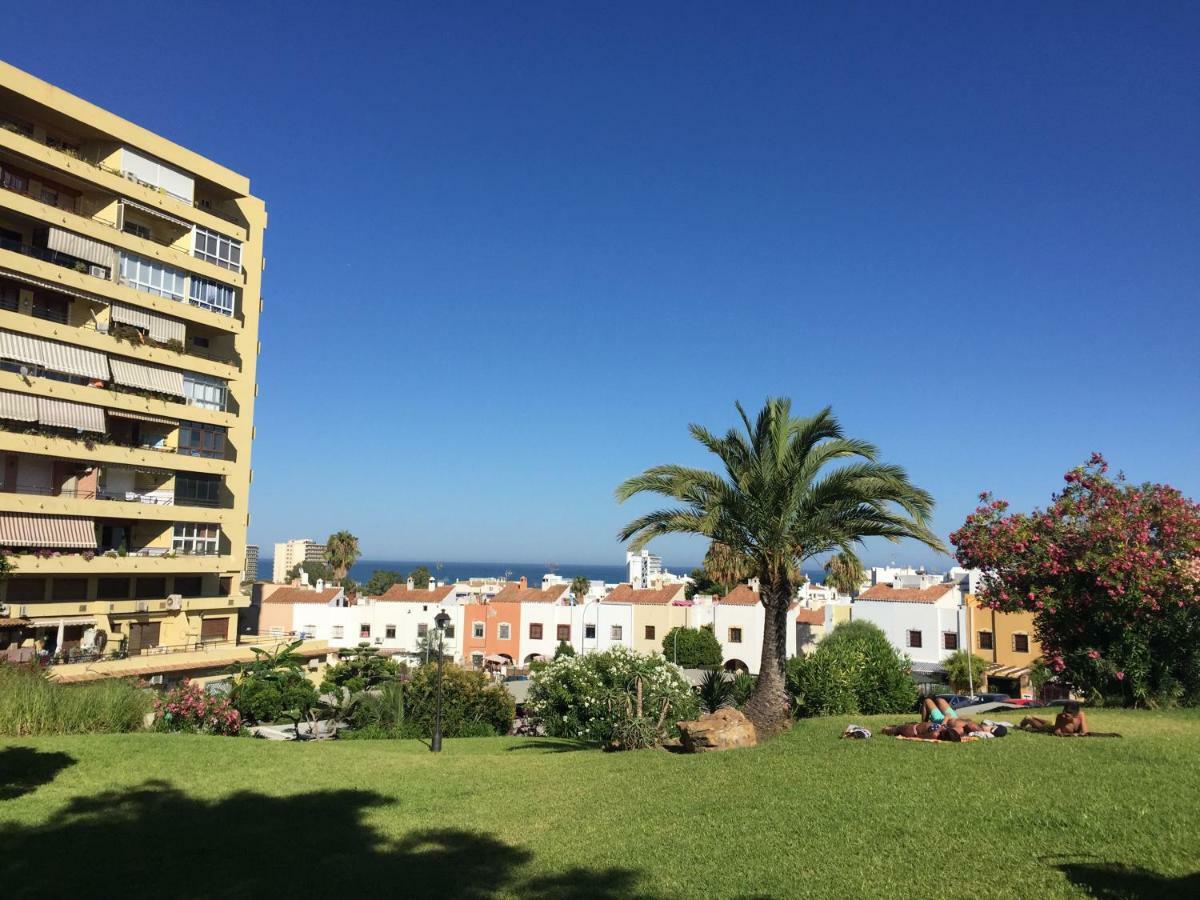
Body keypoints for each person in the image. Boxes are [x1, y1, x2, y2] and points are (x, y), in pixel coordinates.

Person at [1021, 701, 1088, 735]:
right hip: (1049, 728)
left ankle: (1031, 717)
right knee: (1041, 726)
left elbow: (1085, 732)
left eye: (1067, 716)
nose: (1063, 716)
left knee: (1049, 723)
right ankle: (1028, 719)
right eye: (1063, 713)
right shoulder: (1060, 716)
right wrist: (1072, 735)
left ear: (1075, 715)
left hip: (1052, 725)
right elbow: (1056, 732)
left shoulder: (1080, 716)